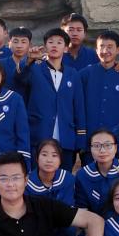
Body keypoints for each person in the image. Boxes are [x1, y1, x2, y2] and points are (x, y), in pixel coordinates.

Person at [27, 28, 86, 168]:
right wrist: (29, 60)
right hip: (39, 135)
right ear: (45, 46)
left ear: (66, 48)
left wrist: (81, 137)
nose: (54, 45)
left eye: (59, 42)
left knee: (64, 176)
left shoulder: (73, 74)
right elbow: (19, 78)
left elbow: (78, 107)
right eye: (50, 42)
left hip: (65, 138)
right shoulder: (34, 68)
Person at [79, 30, 119, 155]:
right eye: (101, 46)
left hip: (116, 139)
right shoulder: (85, 74)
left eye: (110, 47)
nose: (105, 51)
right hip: (89, 141)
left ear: (118, 50)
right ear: (96, 50)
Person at [25, 139, 76, 204]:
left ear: (60, 160)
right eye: (44, 155)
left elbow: (68, 206)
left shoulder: (68, 179)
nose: (49, 160)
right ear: (37, 158)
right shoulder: (26, 183)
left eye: (54, 155)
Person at [3, 26, 34, 98]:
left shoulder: (36, 65)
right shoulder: (0, 64)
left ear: (30, 45)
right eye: (15, 42)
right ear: (9, 44)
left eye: (23, 42)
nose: (19, 46)